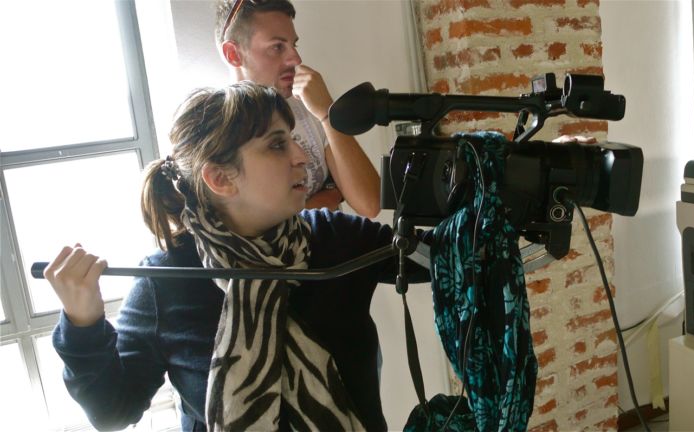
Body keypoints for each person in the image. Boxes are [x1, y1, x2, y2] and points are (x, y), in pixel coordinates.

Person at [45, 82, 428, 431]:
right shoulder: (165, 281)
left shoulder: (333, 236)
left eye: (292, 138)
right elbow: (114, 410)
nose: (301, 156)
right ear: (220, 179)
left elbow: (440, 260)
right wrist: (83, 324)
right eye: (277, 144)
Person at [214, 0, 380, 217]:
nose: (296, 59)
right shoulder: (219, 130)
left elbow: (371, 203)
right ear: (233, 55)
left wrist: (327, 112)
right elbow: (249, 224)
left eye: (294, 45)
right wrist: (324, 198)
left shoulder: (309, 104)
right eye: (277, 47)